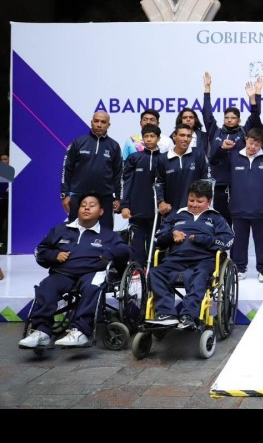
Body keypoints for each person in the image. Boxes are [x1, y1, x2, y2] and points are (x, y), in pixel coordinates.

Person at [19, 193, 131, 349]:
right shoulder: (61, 230)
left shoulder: (108, 235)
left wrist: (109, 253)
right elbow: (41, 250)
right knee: (46, 287)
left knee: (92, 285)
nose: (86, 208)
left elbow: (126, 251)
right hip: (63, 273)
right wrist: (54, 255)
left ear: (101, 212)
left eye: (92, 205)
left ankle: (80, 331)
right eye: (83, 205)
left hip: (92, 273)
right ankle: (41, 332)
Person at [146, 180, 234, 330]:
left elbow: (228, 240)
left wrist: (203, 239)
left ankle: (188, 315)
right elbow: (158, 238)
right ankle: (166, 314)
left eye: (199, 201)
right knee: (155, 273)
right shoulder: (176, 215)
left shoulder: (215, 218)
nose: (194, 204)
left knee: (200, 275)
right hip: (175, 260)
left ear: (209, 202)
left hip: (203, 261)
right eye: (191, 200)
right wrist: (171, 234)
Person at [213, 127, 263, 282]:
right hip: (238, 207)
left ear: (262, 144)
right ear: (246, 140)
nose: (253, 147)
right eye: (251, 142)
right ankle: (240, 269)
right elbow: (213, 161)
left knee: (261, 241)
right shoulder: (233, 155)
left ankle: (262, 269)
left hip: (261, 208)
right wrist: (221, 149)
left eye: (257, 144)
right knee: (240, 241)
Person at [202, 72, 263, 224]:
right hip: (220, 184)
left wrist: (255, 97)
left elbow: (255, 116)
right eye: (227, 118)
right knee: (222, 222)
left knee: (240, 222)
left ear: (239, 120)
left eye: (233, 118)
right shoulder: (215, 131)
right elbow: (207, 114)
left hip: (240, 183)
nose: (229, 120)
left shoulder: (244, 132)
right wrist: (207, 89)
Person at [61, 111, 122, 230]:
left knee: (105, 234)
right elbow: (66, 169)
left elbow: (118, 175)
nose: (99, 125)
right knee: (74, 233)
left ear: (108, 125)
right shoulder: (78, 142)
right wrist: (65, 194)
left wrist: (118, 198)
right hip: (78, 196)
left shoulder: (114, 146)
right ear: (91, 122)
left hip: (105, 197)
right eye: (96, 121)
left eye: (103, 122)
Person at [120, 124, 162, 266]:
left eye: (152, 136)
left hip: (156, 211)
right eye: (146, 136)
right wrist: (125, 205)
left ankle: (152, 270)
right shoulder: (134, 158)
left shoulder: (164, 159)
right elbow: (126, 182)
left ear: (158, 138)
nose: (149, 139)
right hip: (136, 209)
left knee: (154, 243)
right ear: (142, 139)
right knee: (136, 243)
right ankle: (137, 270)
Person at [154, 123, 209, 217]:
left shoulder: (198, 154)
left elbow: (206, 181)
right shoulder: (163, 158)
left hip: (196, 211)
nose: (186, 139)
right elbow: (159, 183)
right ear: (174, 136)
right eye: (182, 135)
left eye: (189, 136)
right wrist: (161, 202)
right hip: (171, 211)